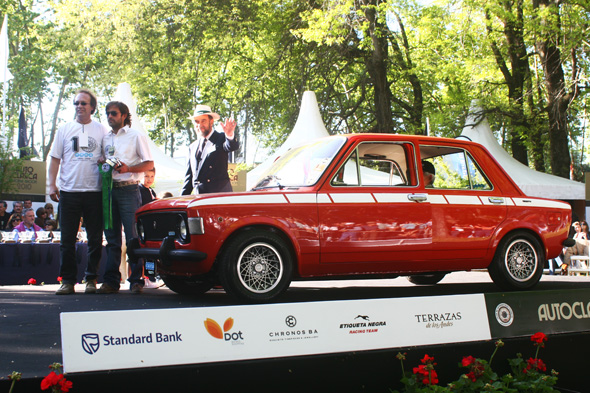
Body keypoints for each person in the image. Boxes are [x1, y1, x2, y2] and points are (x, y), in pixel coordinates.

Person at [48, 88, 108, 295]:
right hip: (69, 191)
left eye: (83, 103)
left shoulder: (102, 130)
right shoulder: (64, 129)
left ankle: (91, 279)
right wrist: (50, 185)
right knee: (66, 239)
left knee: (94, 239)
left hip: (95, 191)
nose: (79, 106)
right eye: (76, 103)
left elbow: (110, 156)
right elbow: (54, 158)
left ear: (92, 107)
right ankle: (67, 280)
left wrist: (105, 160)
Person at [98, 101, 153, 295]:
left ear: (124, 115)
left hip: (129, 188)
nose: (109, 116)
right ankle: (111, 281)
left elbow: (149, 164)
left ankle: (136, 279)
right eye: (107, 113)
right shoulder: (105, 139)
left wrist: (128, 168)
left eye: (113, 113)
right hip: (109, 189)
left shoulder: (135, 135)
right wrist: (103, 162)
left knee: (132, 237)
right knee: (112, 238)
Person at [181, 105, 239, 195]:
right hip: (198, 200)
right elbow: (189, 178)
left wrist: (230, 135)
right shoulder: (192, 147)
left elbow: (231, 146)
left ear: (211, 121)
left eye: (203, 121)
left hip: (218, 199)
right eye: (196, 121)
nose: (199, 125)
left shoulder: (221, 138)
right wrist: (180, 201)